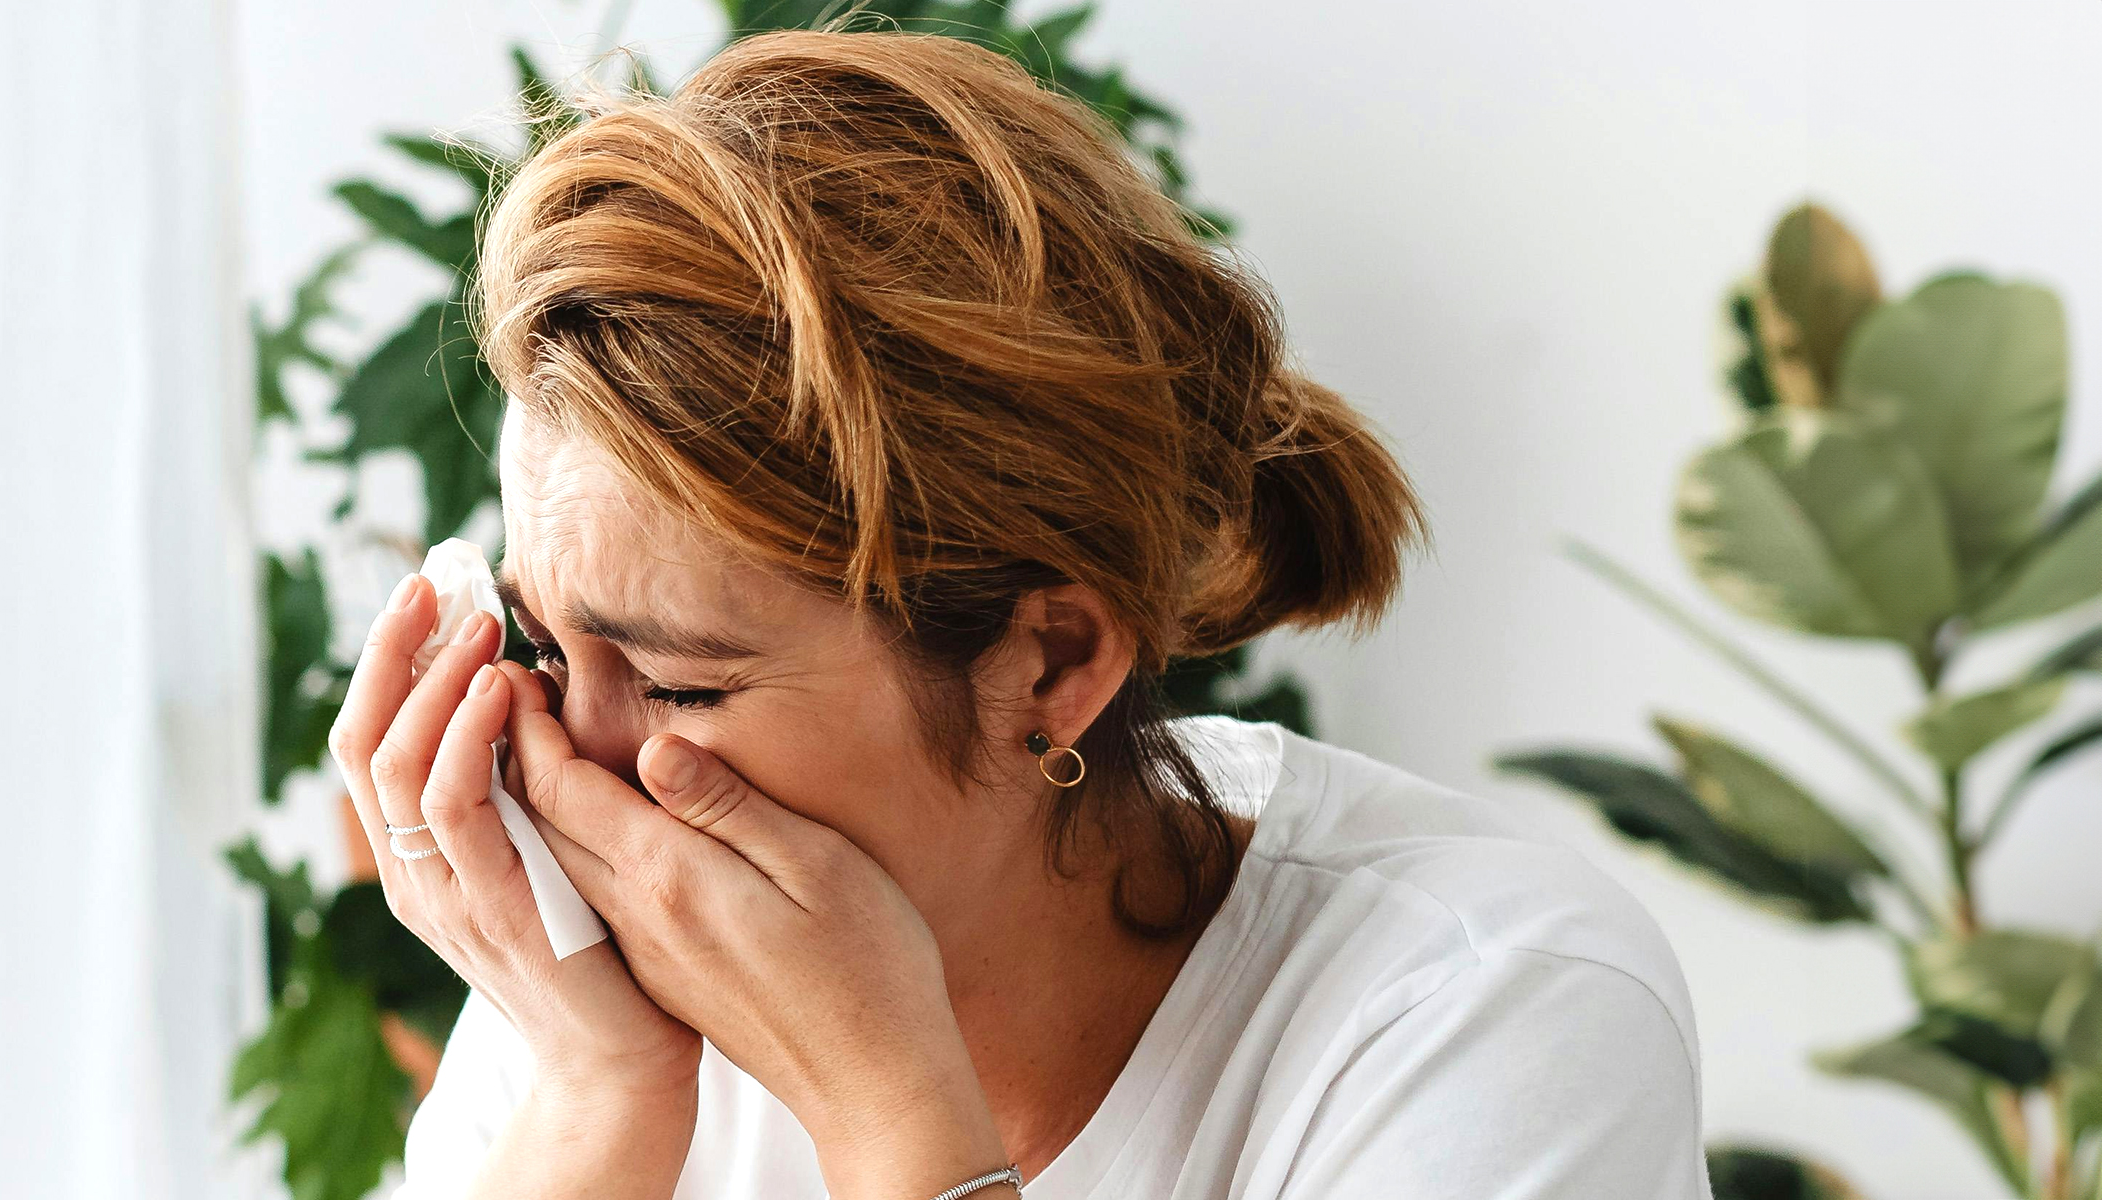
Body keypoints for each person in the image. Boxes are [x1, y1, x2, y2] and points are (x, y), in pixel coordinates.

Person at [325, 28, 1706, 1200]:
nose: (565, 761)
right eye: (548, 648)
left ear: (1048, 665)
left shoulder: (1484, 1005)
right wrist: (595, 1097)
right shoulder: (595, 1006)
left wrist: (891, 1113)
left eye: (684, 687)